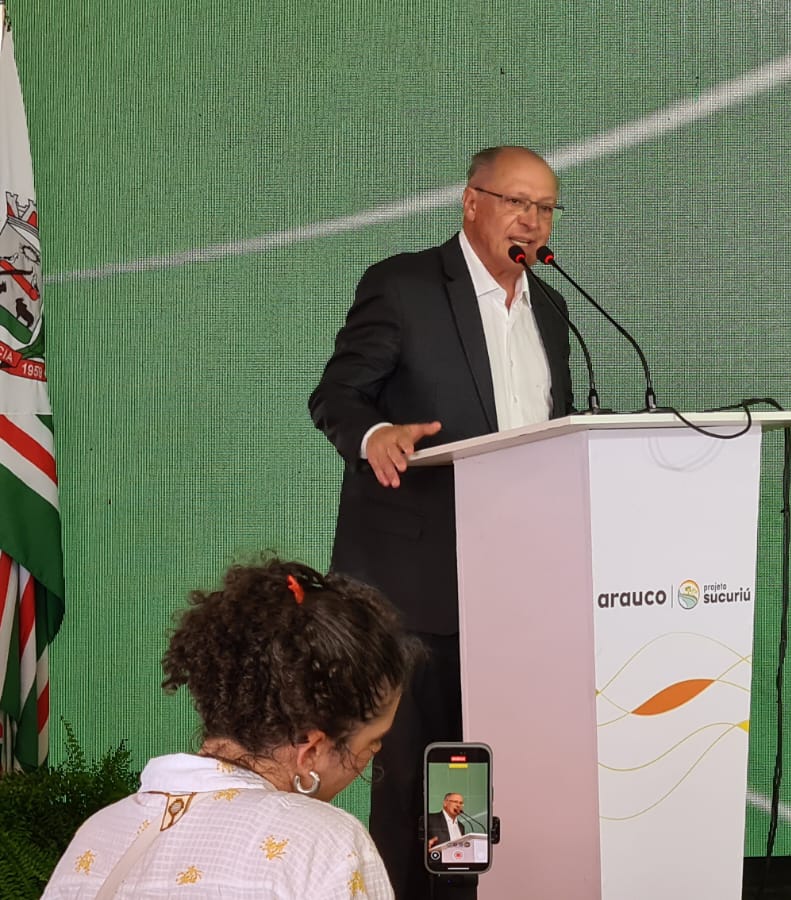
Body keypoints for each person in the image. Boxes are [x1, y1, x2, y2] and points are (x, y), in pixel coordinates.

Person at [309, 146, 573, 896]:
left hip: (515, 590)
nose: (531, 219)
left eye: (544, 207)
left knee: (469, 781)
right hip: (413, 587)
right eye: (515, 201)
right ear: (471, 202)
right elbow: (337, 394)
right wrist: (373, 436)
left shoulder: (551, 310)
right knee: (410, 779)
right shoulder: (405, 286)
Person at [42, 559, 422, 899]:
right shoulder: (326, 845)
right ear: (310, 748)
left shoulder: (99, 832)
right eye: (373, 743)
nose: (373, 757)